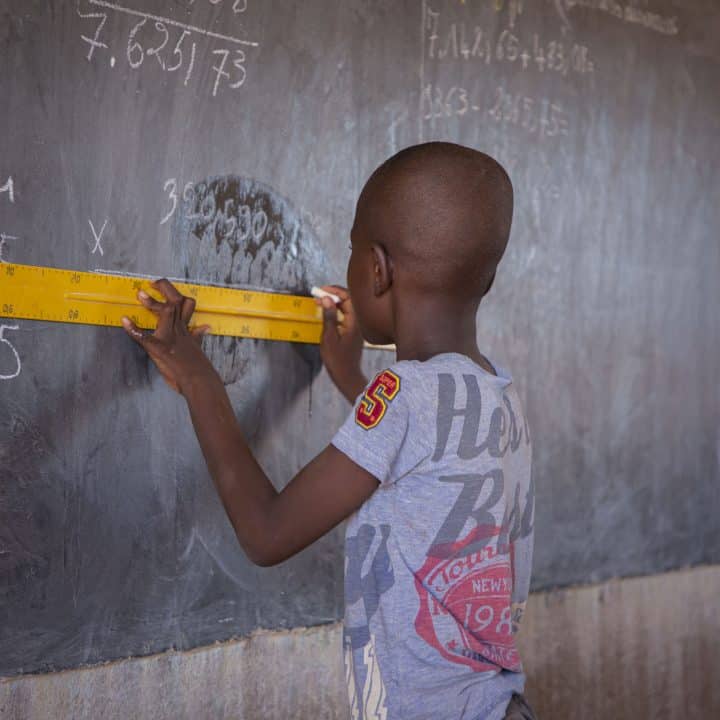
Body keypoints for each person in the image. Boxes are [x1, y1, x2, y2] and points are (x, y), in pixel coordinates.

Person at [121, 142, 536, 720]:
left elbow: (266, 533)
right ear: (485, 281)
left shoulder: (402, 396)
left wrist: (199, 380)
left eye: (350, 251)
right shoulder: (497, 393)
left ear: (376, 270)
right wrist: (352, 377)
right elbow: (422, 456)